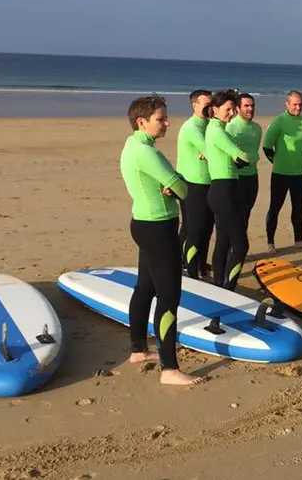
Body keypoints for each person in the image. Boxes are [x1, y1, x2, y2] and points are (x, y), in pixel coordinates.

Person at [119, 94, 203, 386]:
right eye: (160, 119)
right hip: (158, 228)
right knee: (169, 297)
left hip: (143, 223)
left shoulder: (134, 146)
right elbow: (184, 189)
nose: (167, 123)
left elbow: (173, 181)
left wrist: (172, 182)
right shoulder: (147, 153)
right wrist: (175, 184)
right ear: (141, 121)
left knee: (145, 287)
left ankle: (138, 350)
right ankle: (169, 369)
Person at [205, 90, 250, 290]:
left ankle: (218, 283)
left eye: (233, 109)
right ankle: (229, 287)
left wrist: (237, 158)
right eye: (227, 109)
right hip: (223, 190)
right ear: (214, 109)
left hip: (223, 188)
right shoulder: (217, 130)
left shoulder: (217, 128)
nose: (231, 113)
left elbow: (237, 157)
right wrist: (239, 156)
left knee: (223, 240)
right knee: (241, 244)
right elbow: (243, 156)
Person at [263, 90, 302, 253]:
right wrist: (278, 162)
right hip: (280, 174)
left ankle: (299, 240)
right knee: (275, 208)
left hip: (300, 174)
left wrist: (295, 161)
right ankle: (270, 242)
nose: (298, 107)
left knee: (299, 208)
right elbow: (267, 146)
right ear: (287, 104)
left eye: (300, 104)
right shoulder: (279, 121)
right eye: (295, 104)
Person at [176, 89, 215, 279]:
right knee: (194, 229)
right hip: (193, 184)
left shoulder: (209, 124)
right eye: (206, 105)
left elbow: (212, 152)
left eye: (211, 105)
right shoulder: (192, 127)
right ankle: (190, 272)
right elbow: (213, 151)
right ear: (195, 106)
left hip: (208, 182)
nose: (210, 109)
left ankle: (200, 264)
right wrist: (209, 153)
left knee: (206, 228)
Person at [226, 92, 262, 227]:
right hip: (236, 178)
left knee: (246, 214)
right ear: (237, 108)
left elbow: (254, 150)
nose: (250, 109)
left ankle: (240, 247)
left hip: (252, 177)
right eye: (246, 106)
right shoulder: (230, 127)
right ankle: (232, 247)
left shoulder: (257, 128)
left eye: (252, 106)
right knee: (236, 216)